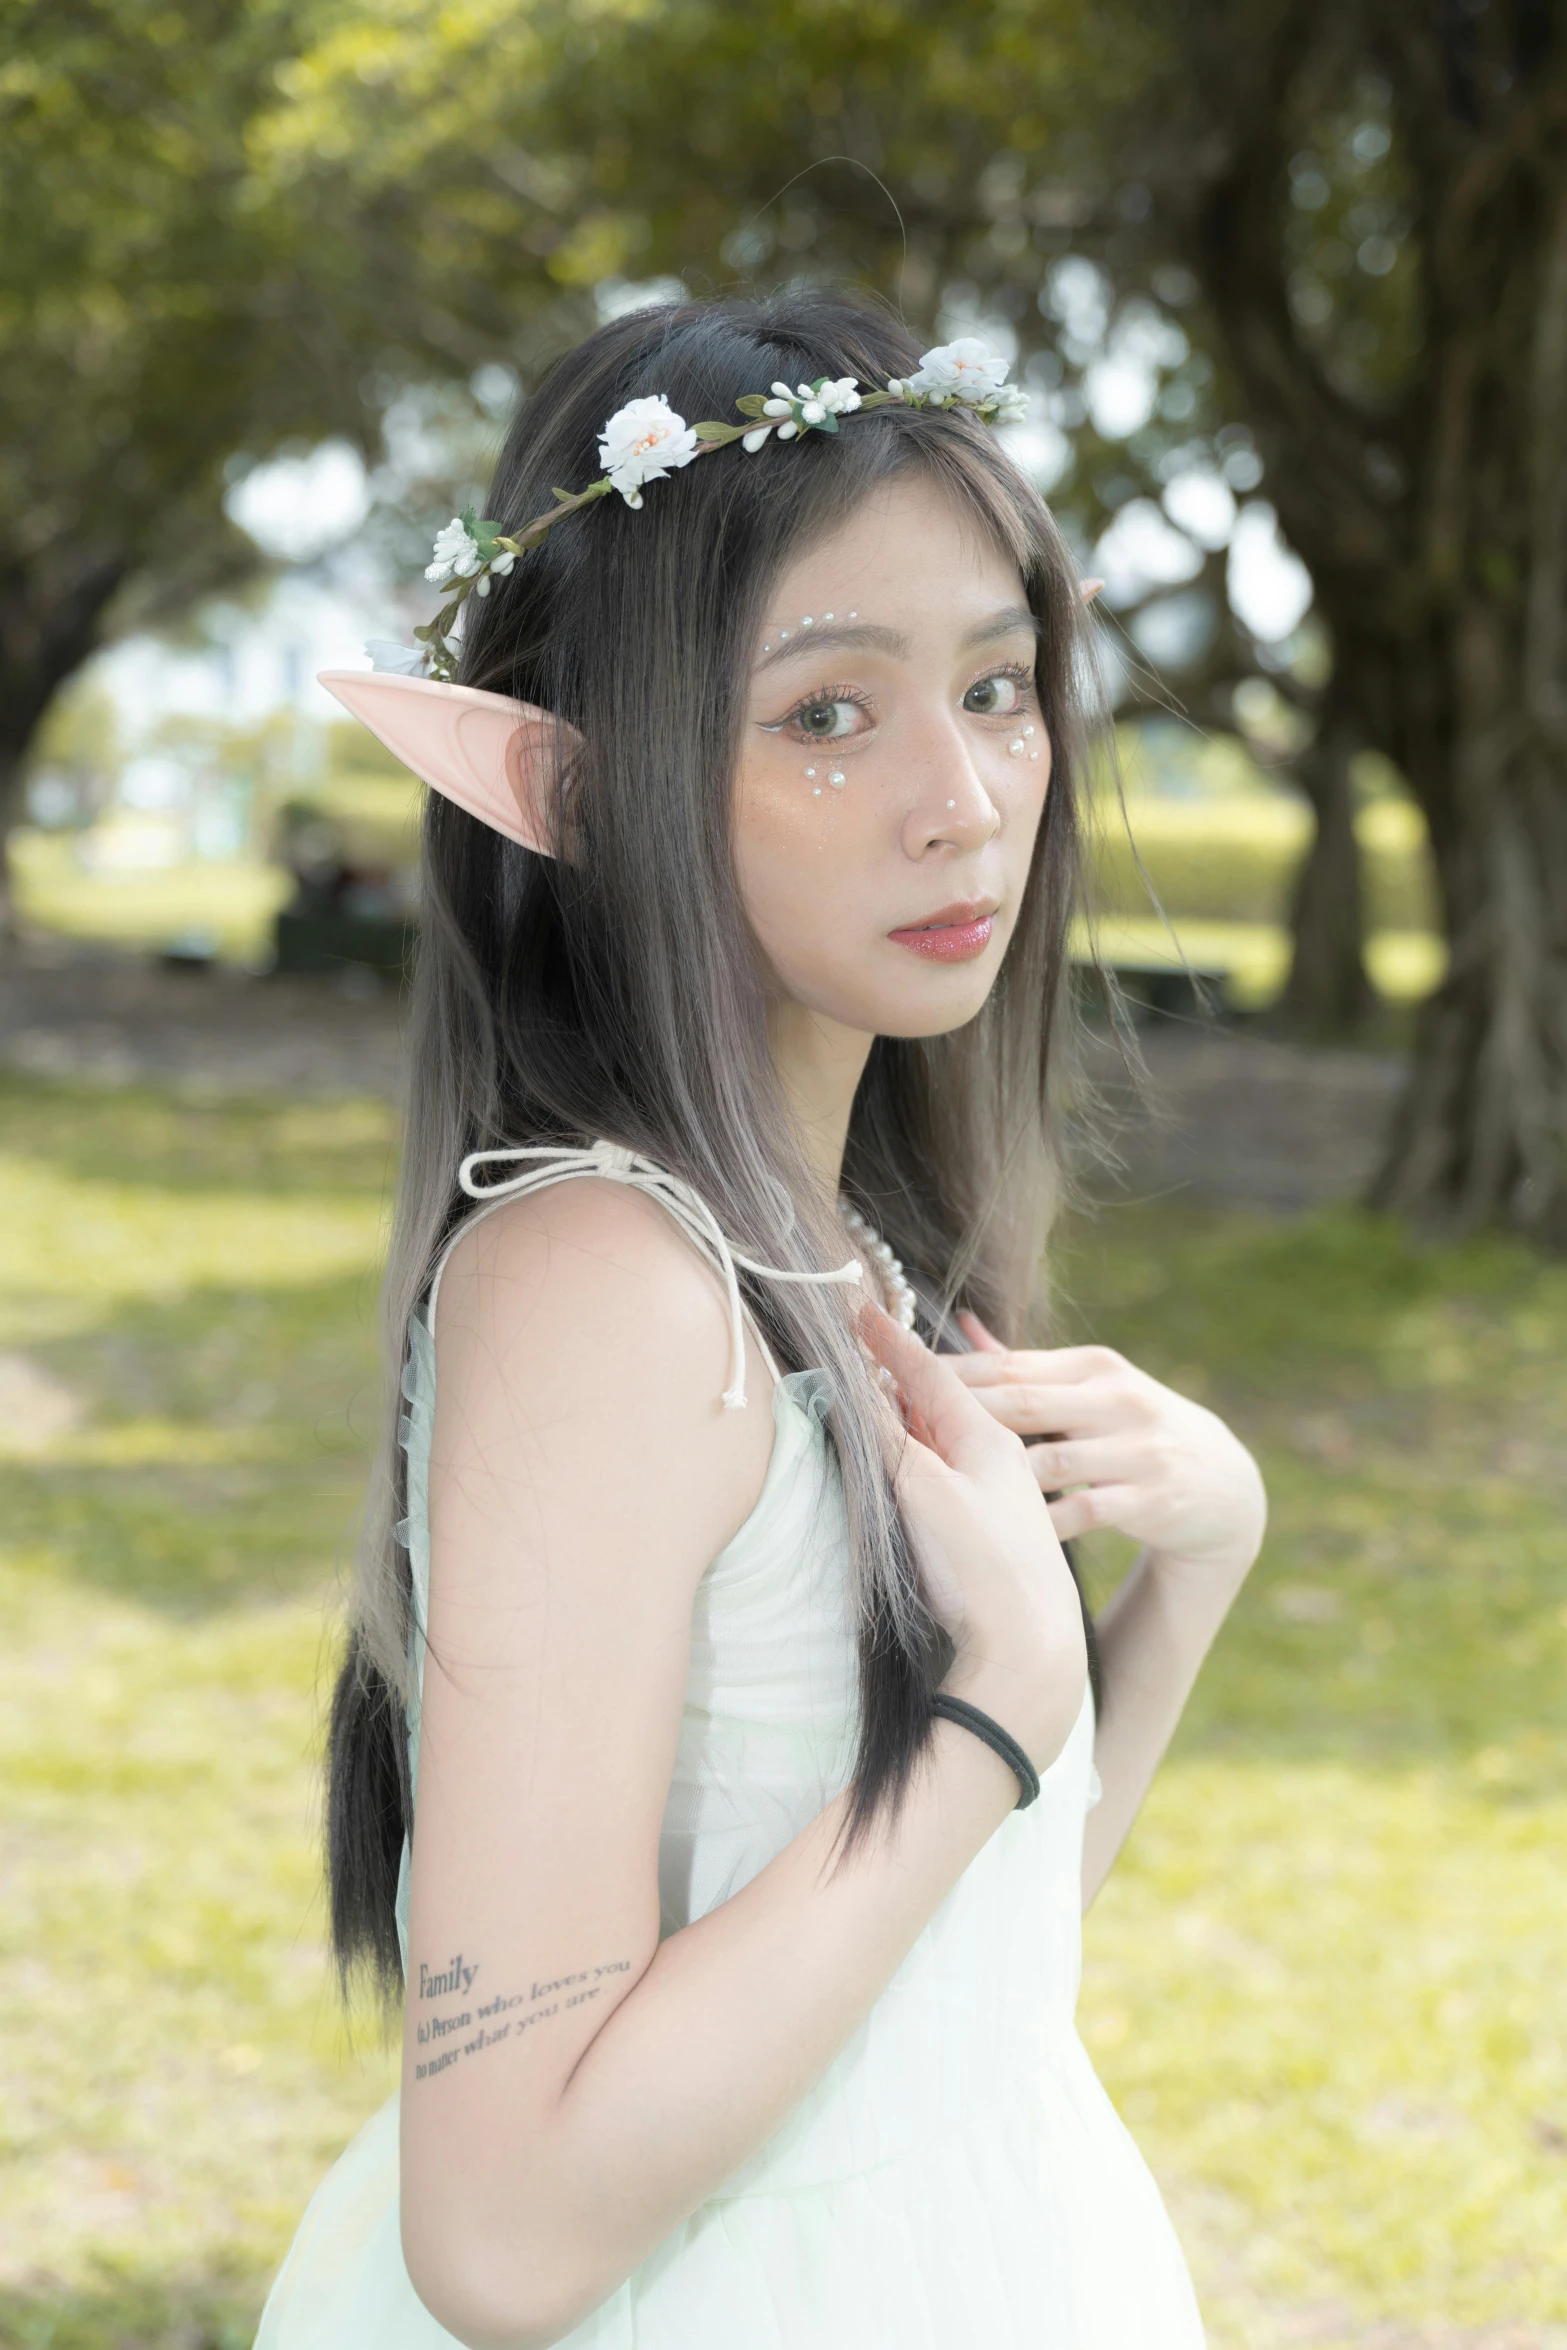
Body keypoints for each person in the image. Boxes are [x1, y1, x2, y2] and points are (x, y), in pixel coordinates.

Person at [255, 292, 1266, 2350]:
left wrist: (1184, 1571)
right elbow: (510, 2230)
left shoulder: (844, 1248)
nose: (967, 796)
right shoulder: (604, 1286)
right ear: (588, 786)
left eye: (998, 686)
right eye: (828, 711)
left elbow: (940, 1978)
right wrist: (980, 1706)